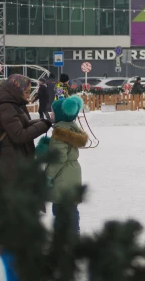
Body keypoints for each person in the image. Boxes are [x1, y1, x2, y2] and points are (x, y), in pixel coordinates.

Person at [0, 74, 52, 182]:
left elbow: (22, 124)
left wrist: (44, 121)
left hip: (14, 161)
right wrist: (44, 125)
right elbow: (19, 135)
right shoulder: (6, 107)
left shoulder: (12, 104)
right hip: (11, 165)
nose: (29, 96)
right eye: (27, 92)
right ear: (16, 90)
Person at [38, 95, 88, 233]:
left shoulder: (60, 132)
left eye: (54, 112)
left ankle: (67, 239)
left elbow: (59, 157)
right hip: (71, 173)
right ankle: (71, 236)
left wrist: (48, 176)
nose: (51, 114)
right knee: (70, 209)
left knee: (61, 210)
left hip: (62, 176)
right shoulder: (70, 128)